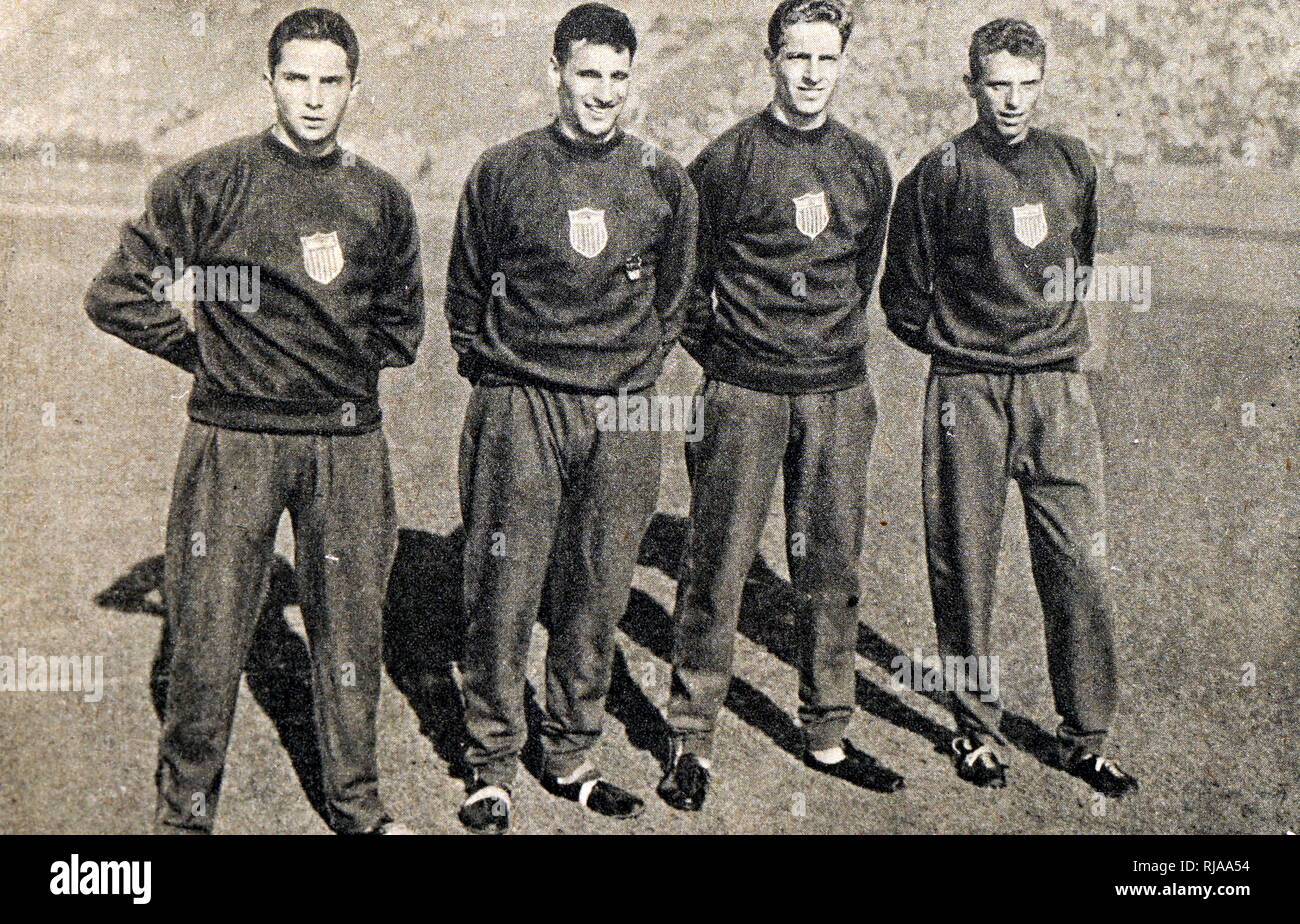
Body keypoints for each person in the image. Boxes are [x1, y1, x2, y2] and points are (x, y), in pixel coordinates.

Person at [84, 7, 425, 834]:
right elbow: (117, 294)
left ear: (354, 87)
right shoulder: (208, 181)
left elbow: (400, 326)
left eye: (330, 81)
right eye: (297, 78)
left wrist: (326, 371)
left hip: (345, 443)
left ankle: (357, 808)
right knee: (204, 642)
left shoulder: (380, 196)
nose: (313, 98)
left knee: (349, 635)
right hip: (232, 441)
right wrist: (206, 357)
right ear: (267, 81)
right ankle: (184, 819)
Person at [444, 2, 698, 833]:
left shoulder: (663, 178)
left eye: (618, 78)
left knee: (597, 585)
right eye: (588, 73)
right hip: (523, 403)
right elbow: (464, 296)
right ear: (554, 72)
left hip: (623, 410)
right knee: (504, 585)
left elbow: (675, 299)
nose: (603, 93)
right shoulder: (503, 171)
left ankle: (570, 752)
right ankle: (489, 764)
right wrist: (511, 376)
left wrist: (631, 370)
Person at [880, 17, 1139, 797]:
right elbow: (901, 297)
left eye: (1027, 84)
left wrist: (1071, 340)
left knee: (1078, 563)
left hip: (1058, 391)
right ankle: (974, 728)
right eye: (998, 84)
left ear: (1043, 83)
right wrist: (968, 344)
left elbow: (1101, 254)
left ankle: (1086, 735)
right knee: (966, 562)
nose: (1013, 100)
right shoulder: (941, 171)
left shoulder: (1073, 161)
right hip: (970, 393)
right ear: (972, 86)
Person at [657, 0, 902, 813]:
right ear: (771, 59)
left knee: (831, 567)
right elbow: (683, 280)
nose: (810, 75)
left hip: (836, 393)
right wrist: (728, 356)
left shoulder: (868, 165)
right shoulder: (727, 160)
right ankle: (691, 740)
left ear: (842, 64)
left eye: (825, 60)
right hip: (745, 393)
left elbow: (859, 274)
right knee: (716, 566)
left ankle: (828, 729)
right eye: (796, 58)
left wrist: (822, 346)